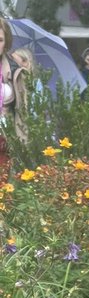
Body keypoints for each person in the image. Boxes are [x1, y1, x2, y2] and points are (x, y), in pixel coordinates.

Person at [0, 18, 30, 178]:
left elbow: (23, 112)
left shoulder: (17, 73)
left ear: (6, 42)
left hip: (6, 142)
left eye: (0, 40)